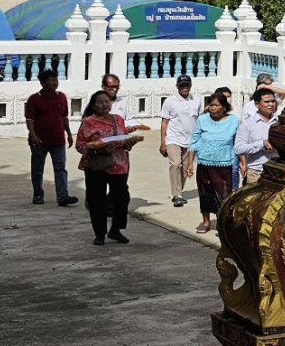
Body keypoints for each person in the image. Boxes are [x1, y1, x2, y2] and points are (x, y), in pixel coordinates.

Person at [75, 89, 149, 245]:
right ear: (94, 106)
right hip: (97, 165)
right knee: (97, 200)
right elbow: (80, 146)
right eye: (100, 102)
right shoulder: (88, 122)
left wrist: (129, 143)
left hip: (118, 164)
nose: (104, 104)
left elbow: (123, 140)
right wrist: (98, 148)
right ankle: (100, 234)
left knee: (122, 197)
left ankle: (116, 229)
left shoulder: (118, 119)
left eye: (107, 102)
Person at [189, 90, 241, 233]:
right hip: (204, 164)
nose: (213, 108)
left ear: (224, 107)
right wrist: (189, 164)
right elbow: (193, 142)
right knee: (205, 194)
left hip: (225, 164)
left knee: (224, 195)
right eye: (211, 105)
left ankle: (223, 224)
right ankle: (206, 222)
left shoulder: (234, 121)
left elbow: (238, 144)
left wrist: (242, 162)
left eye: (217, 105)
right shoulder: (202, 120)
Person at [24, 66, 76, 208]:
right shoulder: (34, 99)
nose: (54, 83)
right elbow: (30, 119)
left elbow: (64, 117)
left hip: (58, 139)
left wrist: (69, 134)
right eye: (50, 80)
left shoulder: (62, 97)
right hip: (39, 140)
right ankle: (38, 194)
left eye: (55, 80)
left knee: (60, 167)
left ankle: (63, 195)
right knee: (37, 168)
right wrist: (33, 135)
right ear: (42, 83)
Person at [159, 74, 201, 208]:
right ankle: (176, 194)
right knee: (175, 164)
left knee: (184, 169)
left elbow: (198, 120)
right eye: (182, 85)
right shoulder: (170, 101)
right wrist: (163, 142)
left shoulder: (196, 100)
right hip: (173, 138)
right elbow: (164, 122)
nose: (184, 88)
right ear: (177, 87)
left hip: (190, 139)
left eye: (187, 85)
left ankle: (179, 192)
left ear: (190, 86)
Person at [234, 86, 281, 184]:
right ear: (257, 104)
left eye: (273, 101)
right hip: (256, 172)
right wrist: (261, 144)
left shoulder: (280, 122)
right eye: (267, 102)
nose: (271, 104)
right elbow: (238, 148)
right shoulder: (248, 124)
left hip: (278, 171)